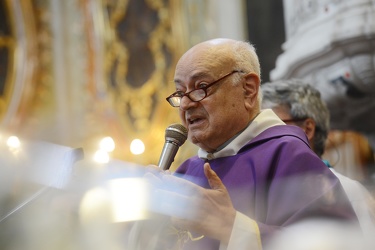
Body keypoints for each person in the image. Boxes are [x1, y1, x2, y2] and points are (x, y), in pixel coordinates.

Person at [129, 38, 358, 250]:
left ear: (248, 89)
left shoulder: (288, 156)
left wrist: (233, 228)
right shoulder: (186, 171)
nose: (186, 104)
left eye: (200, 87)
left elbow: (340, 243)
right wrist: (146, 228)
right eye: (180, 92)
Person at [261, 79, 375, 245]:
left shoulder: (348, 191)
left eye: (270, 126)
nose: (258, 137)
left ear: (307, 129)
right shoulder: (262, 190)